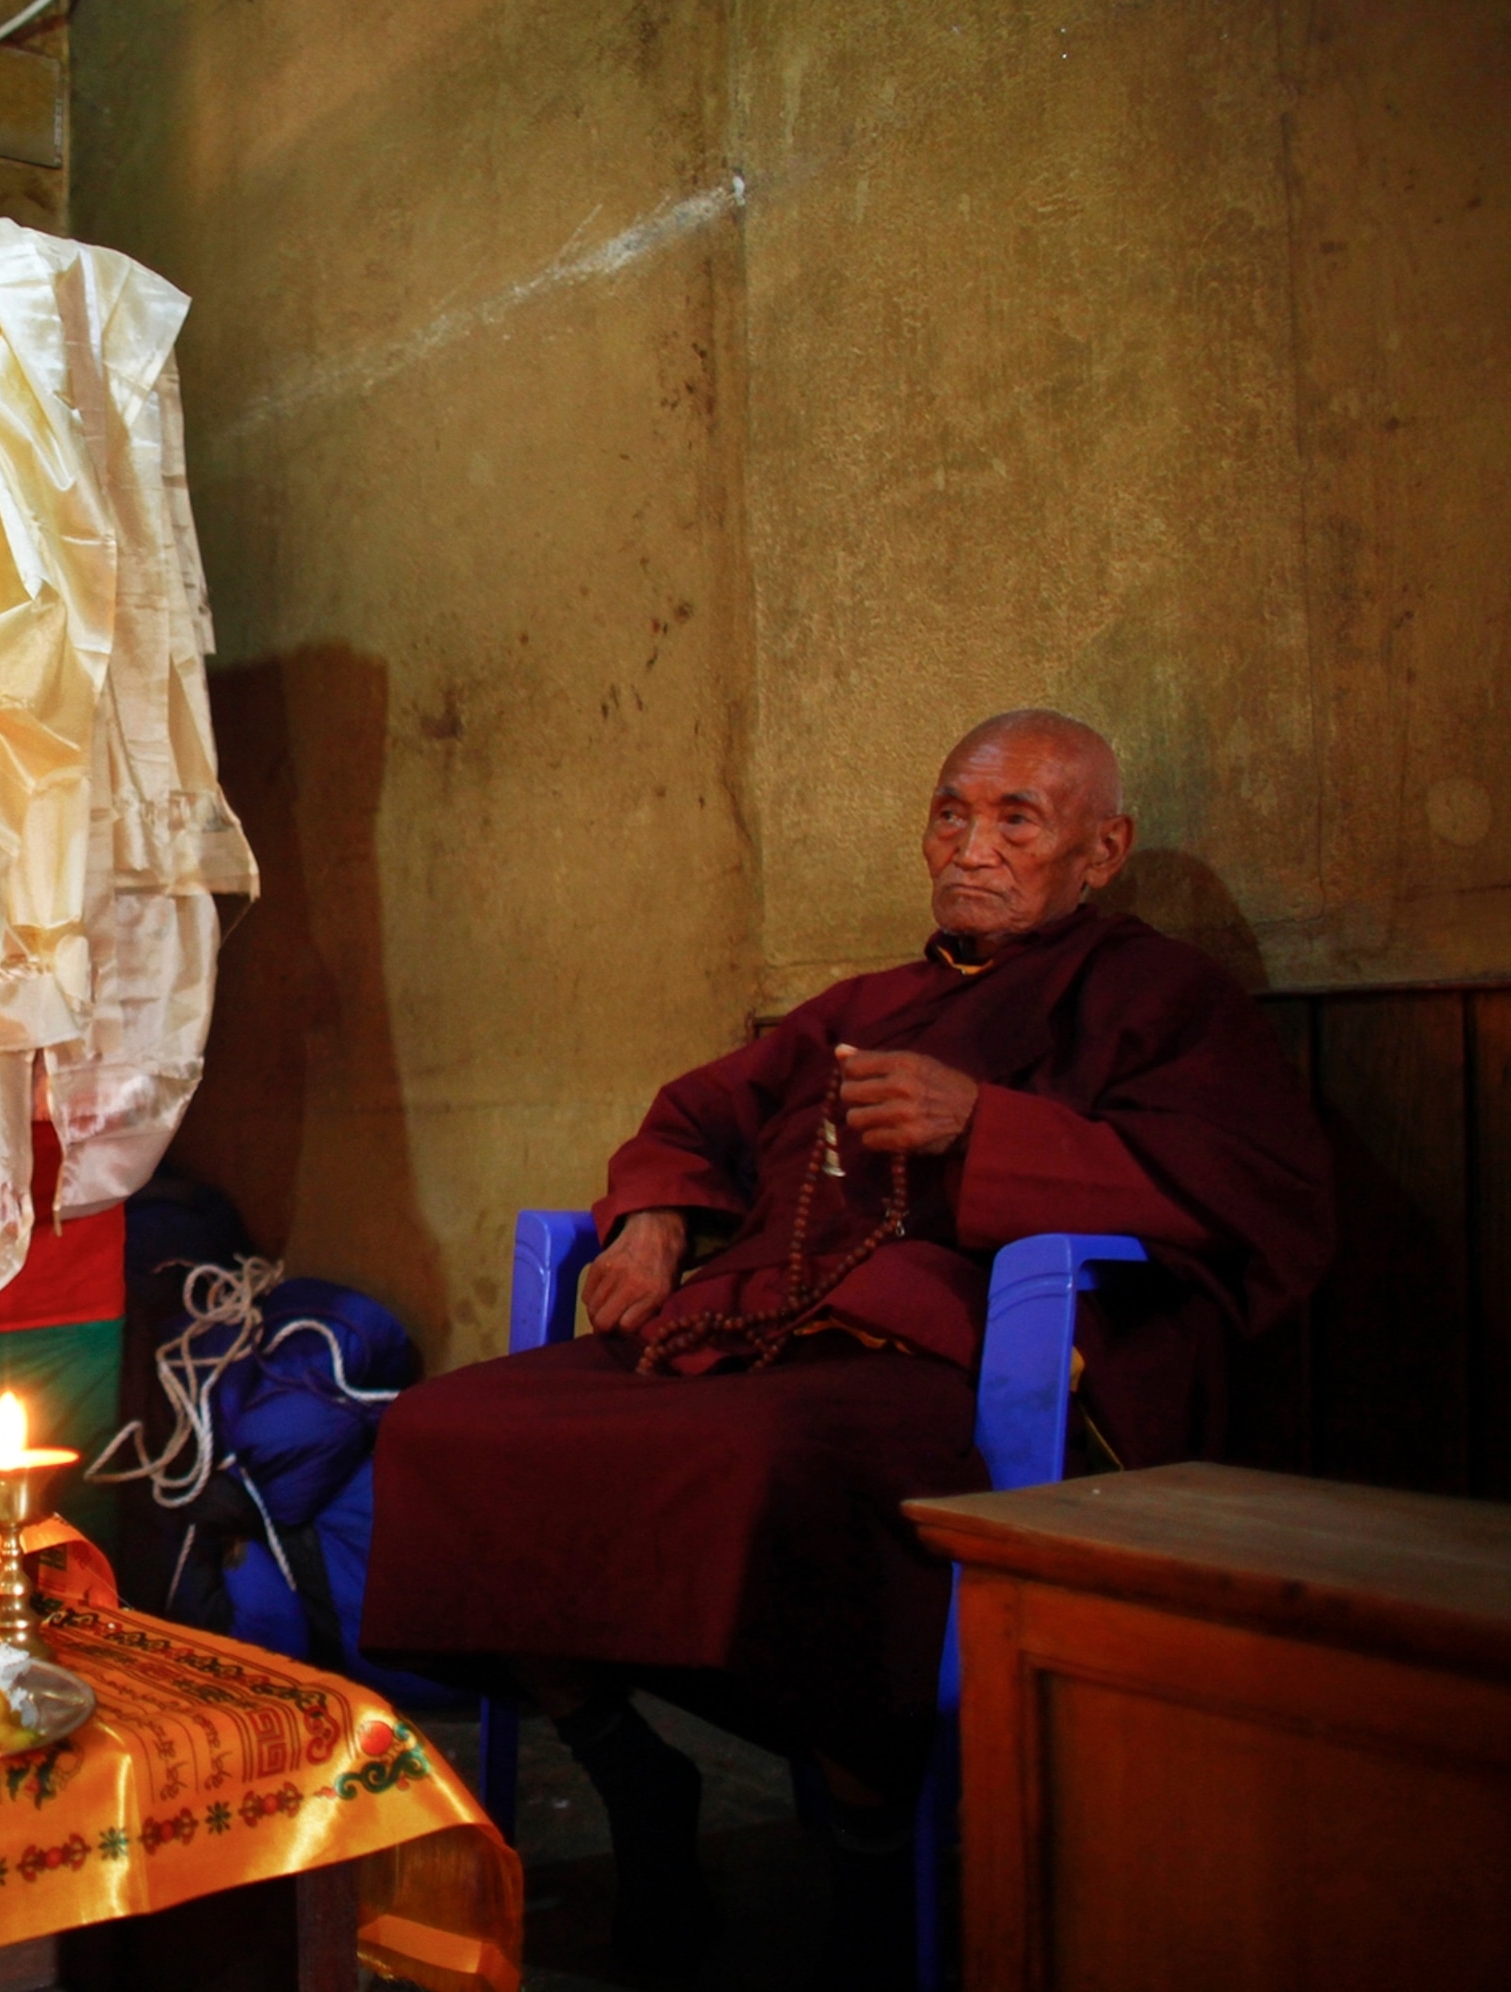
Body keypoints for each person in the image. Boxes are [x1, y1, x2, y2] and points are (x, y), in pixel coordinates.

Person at [361, 710, 1333, 1984]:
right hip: (738, 1333)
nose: (971, 847)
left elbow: (1247, 1187)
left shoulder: (1160, 996)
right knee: (447, 1429)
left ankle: (871, 1840)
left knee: (776, 1465)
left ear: (1103, 850)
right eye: (951, 813)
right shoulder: (865, 1007)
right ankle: (627, 1767)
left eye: (1017, 820)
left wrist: (988, 1123)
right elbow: (698, 1112)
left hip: (948, 1352)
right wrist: (654, 1218)